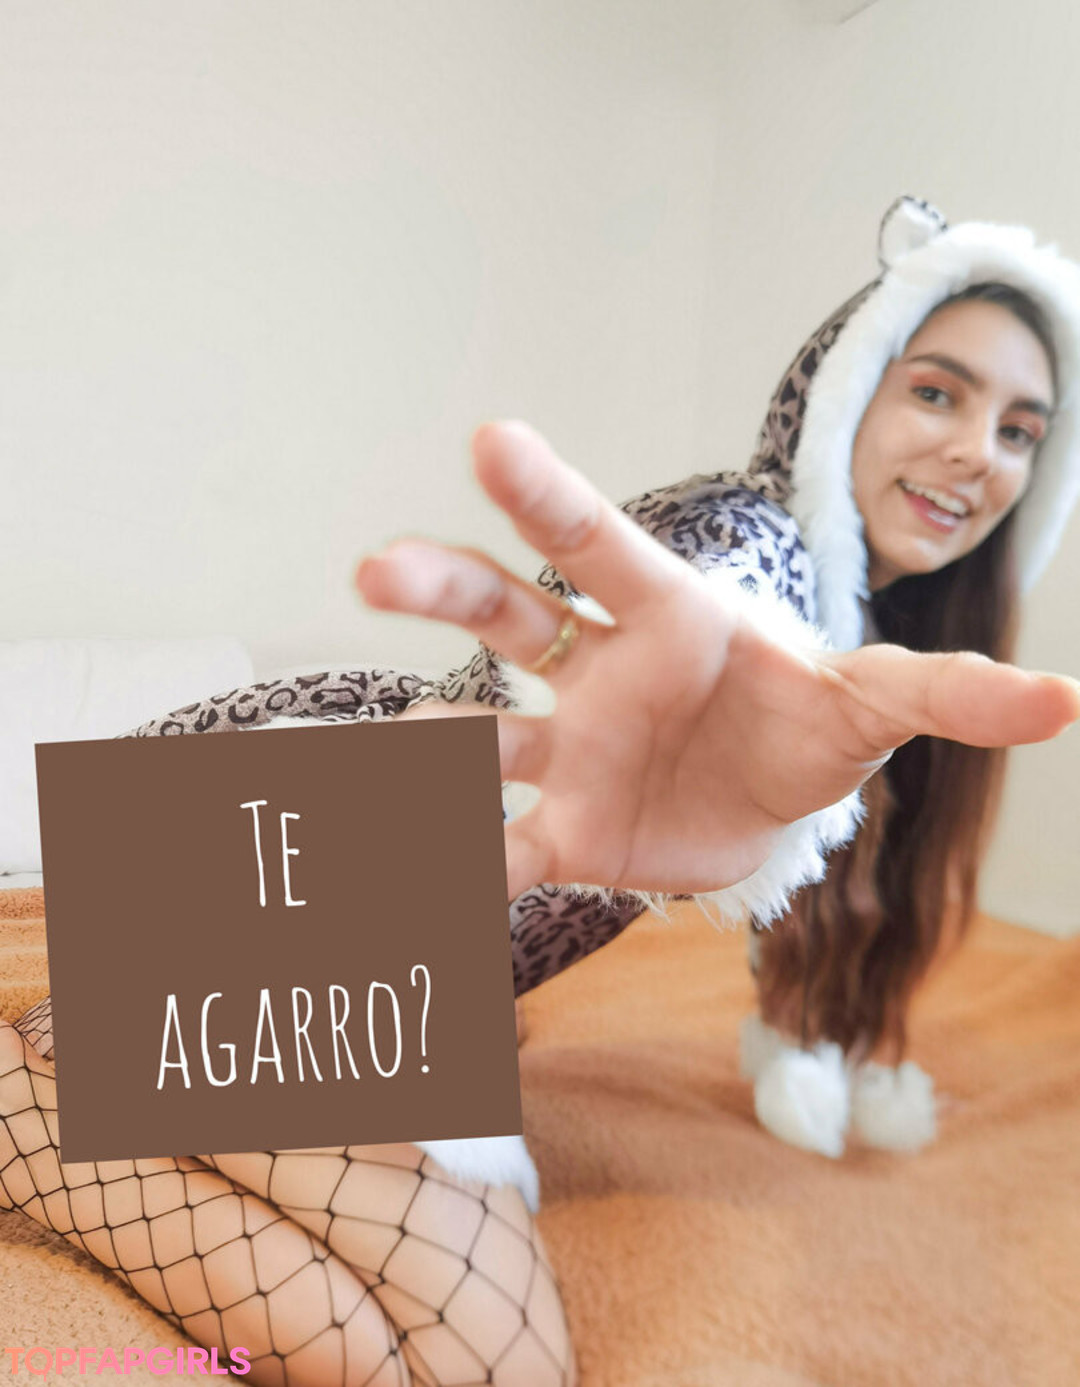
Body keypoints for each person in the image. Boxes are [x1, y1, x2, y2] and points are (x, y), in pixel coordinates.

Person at [2, 196, 1079, 1384]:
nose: (980, 451)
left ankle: (44, 1090)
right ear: (846, 391)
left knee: (394, 1349)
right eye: (936, 392)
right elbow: (696, 597)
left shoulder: (875, 658)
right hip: (303, 847)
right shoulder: (745, 542)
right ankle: (28, 1092)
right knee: (496, 1360)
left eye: (1020, 430)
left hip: (381, 921)